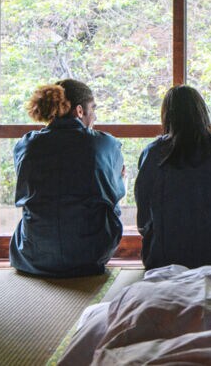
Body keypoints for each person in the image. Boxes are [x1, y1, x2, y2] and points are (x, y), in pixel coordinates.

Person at [9, 79, 125, 277]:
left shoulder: (27, 144)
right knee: (113, 190)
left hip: (33, 255)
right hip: (89, 256)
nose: (94, 116)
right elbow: (115, 193)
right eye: (93, 109)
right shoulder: (104, 143)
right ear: (80, 111)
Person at [135, 85, 211, 269]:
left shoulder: (153, 153)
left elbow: (143, 215)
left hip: (166, 258)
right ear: (202, 112)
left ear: (167, 116)